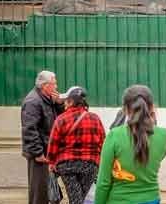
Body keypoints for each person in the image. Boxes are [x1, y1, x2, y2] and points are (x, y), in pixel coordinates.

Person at [95, 85, 166, 204]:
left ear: (125, 109)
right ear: (152, 107)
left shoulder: (114, 135)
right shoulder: (165, 135)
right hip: (151, 199)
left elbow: (104, 183)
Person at [46, 86, 105, 204]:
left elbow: (53, 143)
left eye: (66, 101)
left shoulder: (61, 119)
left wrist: (51, 162)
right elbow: (103, 142)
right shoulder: (95, 119)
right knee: (79, 197)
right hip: (90, 165)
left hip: (67, 165)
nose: (64, 104)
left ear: (72, 101)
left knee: (76, 198)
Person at [21, 70, 64, 204]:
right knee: (39, 191)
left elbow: (60, 119)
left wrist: (58, 103)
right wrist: (37, 153)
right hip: (40, 155)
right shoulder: (33, 101)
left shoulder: (47, 99)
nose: (56, 87)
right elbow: (29, 129)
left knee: (49, 189)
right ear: (45, 86)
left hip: (48, 152)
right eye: (54, 84)